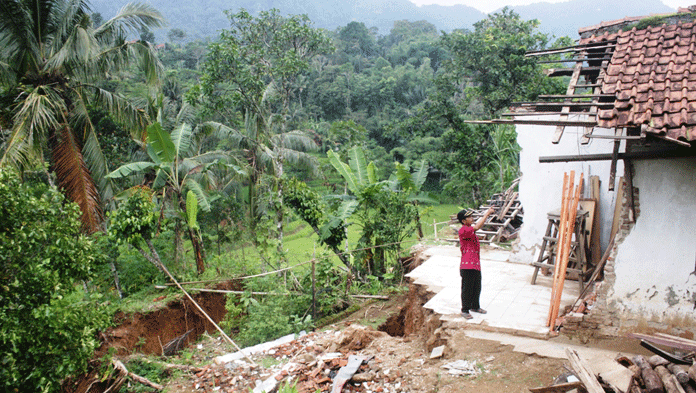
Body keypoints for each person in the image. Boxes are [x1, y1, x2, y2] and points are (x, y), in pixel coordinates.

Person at [457, 207, 495, 320]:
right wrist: (487, 213)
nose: (471, 218)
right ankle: (464, 310)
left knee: (477, 287)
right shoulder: (463, 230)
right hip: (467, 265)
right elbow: (478, 227)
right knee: (467, 288)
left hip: (474, 264)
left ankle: (475, 306)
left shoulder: (469, 229)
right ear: (463, 221)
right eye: (469, 217)